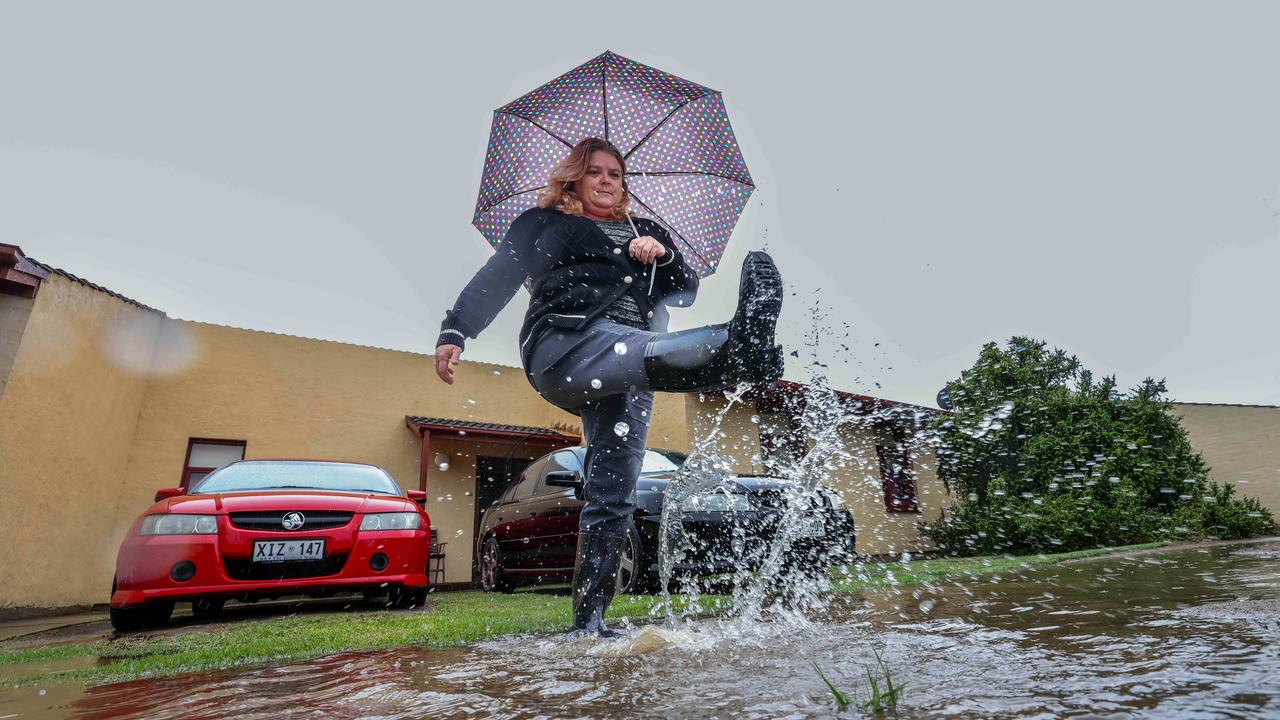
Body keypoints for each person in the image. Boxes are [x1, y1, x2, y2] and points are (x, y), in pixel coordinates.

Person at [435, 137, 784, 636]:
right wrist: (456, 331)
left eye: (615, 174)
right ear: (574, 177)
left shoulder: (645, 229)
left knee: (613, 492)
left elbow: (684, 292)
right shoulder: (546, 225)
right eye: (595, 171)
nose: (605, 181)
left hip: (632, 369)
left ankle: (590, 621)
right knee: (640, 349)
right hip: (565, 343)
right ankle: (738, 346)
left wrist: (659, 256)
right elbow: (499, 275)